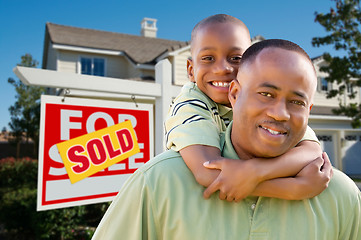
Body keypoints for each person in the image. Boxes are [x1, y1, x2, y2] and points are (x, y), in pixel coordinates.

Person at [92, 39, 361, 240]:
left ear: (309, 111)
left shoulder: (341, 196)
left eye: (296, 102)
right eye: (266, 94)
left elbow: (310, 148)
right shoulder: (159, 181)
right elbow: (210, 173)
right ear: (234, 94)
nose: (280, 113)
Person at [165, 14, 327, 201]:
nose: (222, 69)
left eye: (235, 58)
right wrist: (295, 189)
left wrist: (255, 171)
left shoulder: (260, 102)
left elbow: (311, 150)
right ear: (191, 70)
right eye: (208, 58)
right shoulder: (190, 105)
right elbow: (208, 171)